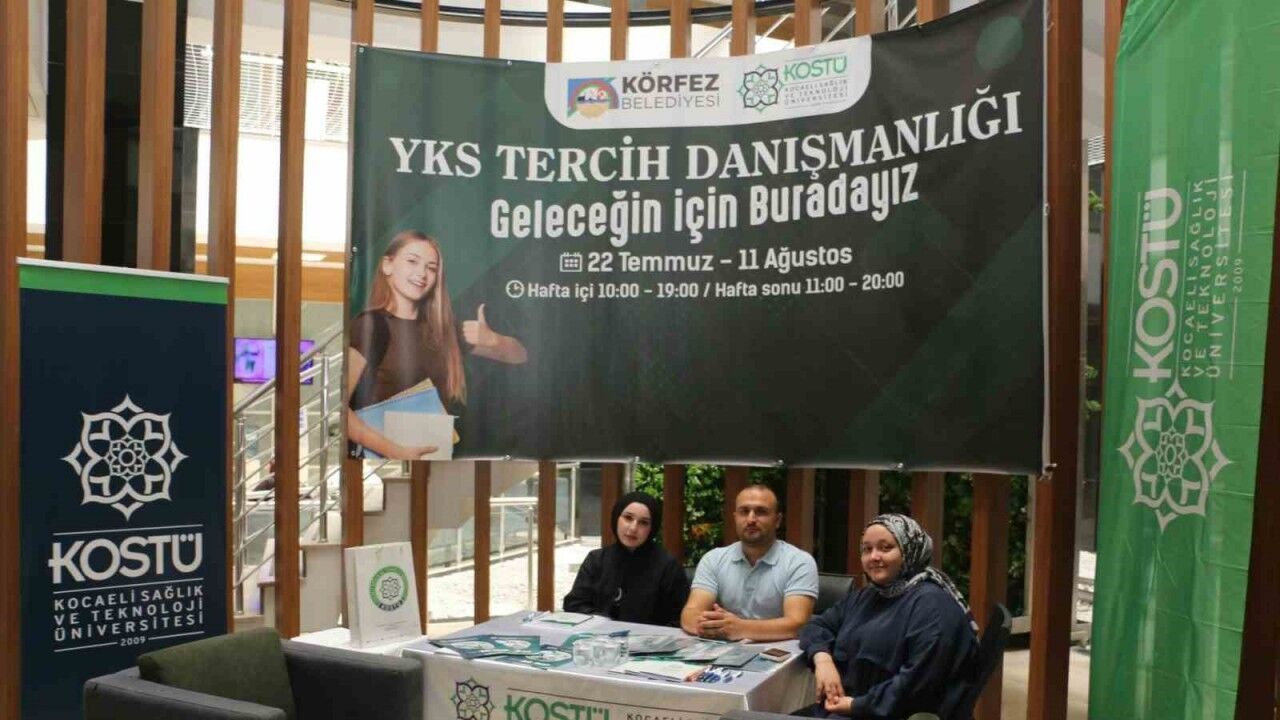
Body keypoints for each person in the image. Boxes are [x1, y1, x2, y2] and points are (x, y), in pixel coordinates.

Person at [345, 230, 527, 460]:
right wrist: (396, 452)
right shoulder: (371, 326)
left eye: (431, 268)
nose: (422, 273)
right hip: (385, 463)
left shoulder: (443, 330)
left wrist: (493, 340)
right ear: (387, 265)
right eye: (412, 261)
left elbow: (519, 355)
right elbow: (340, 410)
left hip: (437, 460)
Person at [796, 514, 979, 720]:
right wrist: (822, 659)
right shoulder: (869, 595)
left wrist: (855, 705)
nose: (874, 557)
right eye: (867, 549)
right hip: (849, 707)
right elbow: (817, 625)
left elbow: (919, 684)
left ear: (910, 551)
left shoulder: (933, 606)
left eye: (885, 548)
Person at [680, 484, 818, 641]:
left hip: (779, 651)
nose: (751, 519)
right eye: (744, 511)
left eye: (761, 512)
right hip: (722, 647)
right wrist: (713, 627)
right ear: (735, 518)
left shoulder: (799, 562)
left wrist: (740, 628)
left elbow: (797, 624)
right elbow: (690, 615)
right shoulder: (713, 559)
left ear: (777, 520)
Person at [562, 492, 690, 626]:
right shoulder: (597, 560)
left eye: (643, 523)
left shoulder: (668, 566)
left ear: (652, 528)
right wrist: (603, 622)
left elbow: (679, 618)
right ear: (616, 518)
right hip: (598, 635)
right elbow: (574, 604)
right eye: (628, 518)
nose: (633, 528)